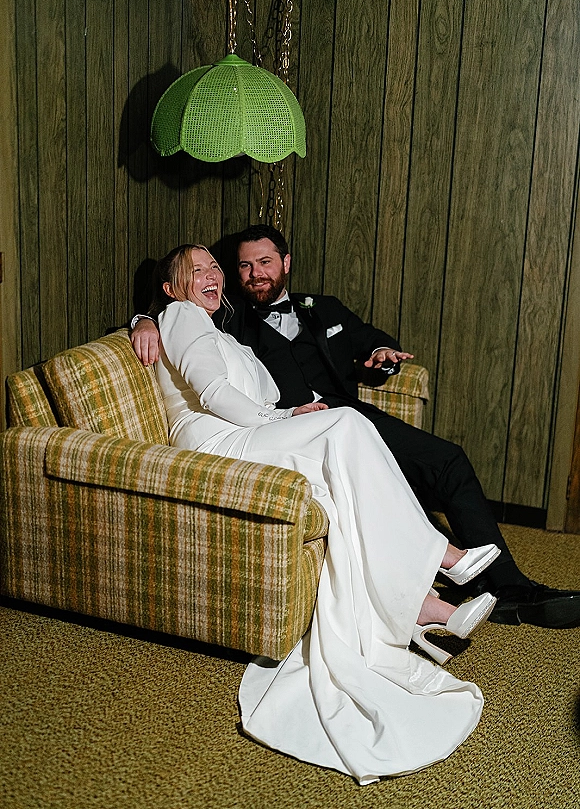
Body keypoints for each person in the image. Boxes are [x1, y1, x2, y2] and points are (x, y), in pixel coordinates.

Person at [152, 242, 500, 783]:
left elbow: (257, 387)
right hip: (216, 444)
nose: (211, 275)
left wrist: (289, 410)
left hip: (246, 433)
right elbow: (214, 391)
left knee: (345, 494)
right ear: (172, 287)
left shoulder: (222, 330)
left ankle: (419, 608)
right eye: (195, 270)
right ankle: (442, 557)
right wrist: (283, 418)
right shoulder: (180, 316)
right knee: (347, 425)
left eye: (214, 266)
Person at [131, 225, 580, 629]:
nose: (254, 273)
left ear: (286, 263)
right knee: (349, 461)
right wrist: (145, 318)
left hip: (338, 416)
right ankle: (447, 573)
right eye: (244, 266)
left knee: (446, 460)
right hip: (293, 428)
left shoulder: (321, 308)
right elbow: (180, 323)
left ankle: (494, 586)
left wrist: (382, 354)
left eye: (264, 262)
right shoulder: (231, 318)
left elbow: (369, 339)